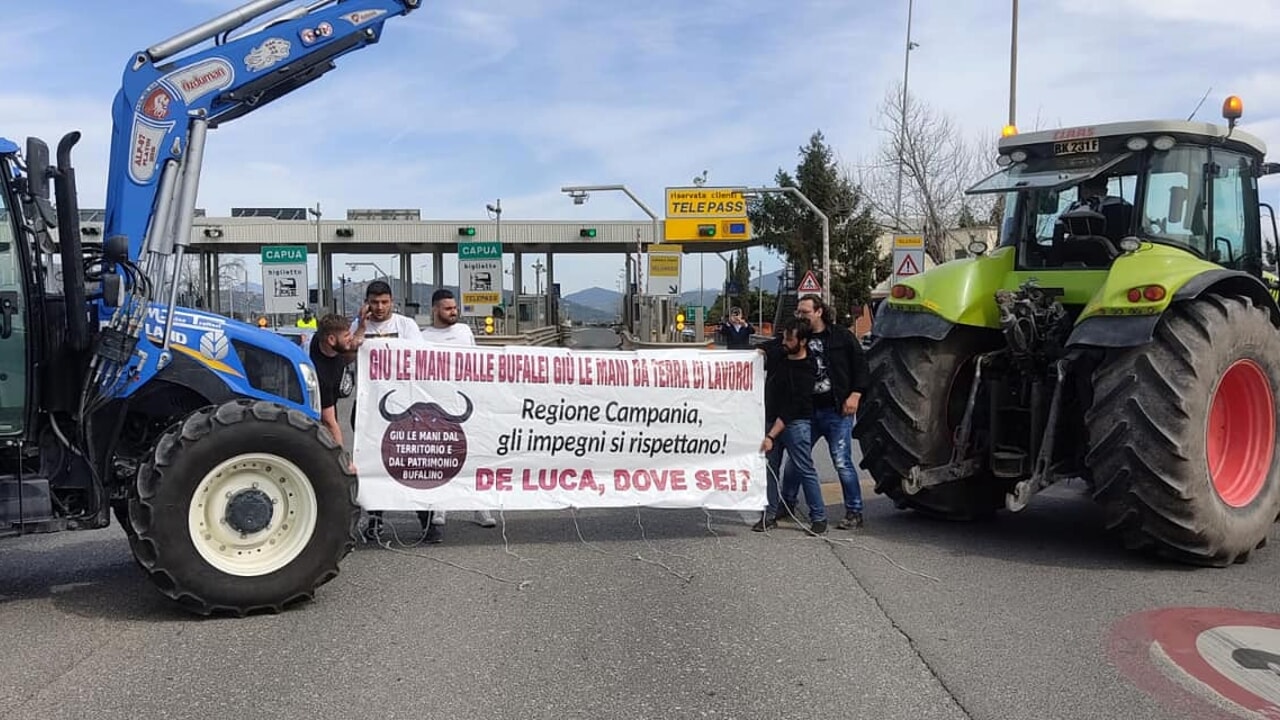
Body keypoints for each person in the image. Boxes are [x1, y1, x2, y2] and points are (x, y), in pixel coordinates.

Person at [348, 281, 437, 542]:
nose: (379, 307)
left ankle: (427, 522)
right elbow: (349, 353)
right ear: (367, 302)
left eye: (384, 302)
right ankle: (375, 521)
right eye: (374, 302)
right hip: (368, 406)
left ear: (392, 302)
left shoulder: (405, 325)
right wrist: (362, 326)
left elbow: (421, 358)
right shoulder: (358, 325)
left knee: (413, 461)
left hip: (404, 404)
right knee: (372, 463)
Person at [782, 293, 870, 530]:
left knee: (841, 462)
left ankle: (854, 511)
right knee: (795, 461)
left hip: (836, 410)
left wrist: (856, 394)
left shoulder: (842, 337)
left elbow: (861, 367)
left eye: (805, 312)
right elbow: (777, 352)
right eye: (798, 312)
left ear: (819, 312)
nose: (801, 316)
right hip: (806, 412)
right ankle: (786, 503)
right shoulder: (798, 337)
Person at [419, 288, 497, 532]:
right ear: (435, 310)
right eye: (448, 308)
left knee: (472, 455)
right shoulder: (423, 336)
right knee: (441, 456)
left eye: (455, 308)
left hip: (465, 402)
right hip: (437, 405)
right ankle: (440, 505)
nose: (454, 312)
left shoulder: (464, 331)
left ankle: (479, 505)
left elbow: (475, 362)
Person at [755, 317, 826, 534]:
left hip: (795, 423)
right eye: (784, 337)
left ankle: (819, 518)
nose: (784, 342)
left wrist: (771, 436)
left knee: (805, 469)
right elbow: (765, 348)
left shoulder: (808, 367)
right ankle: (769, 515)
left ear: (803, 341)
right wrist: (757, 352)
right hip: (772, 418)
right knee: (770, 469)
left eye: (789, 338)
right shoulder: (782, 352)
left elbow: (792, 408)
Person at [308, 313, 356, 447]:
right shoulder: (320, 371)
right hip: (313, 415)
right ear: (331, 339)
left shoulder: (328, 344)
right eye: (346, 336)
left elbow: (352, 350)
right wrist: (343, 459)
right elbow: (329, 421)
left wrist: (362, 326)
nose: (350, 338)